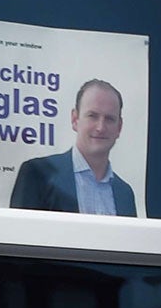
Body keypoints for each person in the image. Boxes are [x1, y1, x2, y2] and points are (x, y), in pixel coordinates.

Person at [9, 79, 137, 216]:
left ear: (119, 127)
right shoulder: (37, 175)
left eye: (109, 119)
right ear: (75, 120)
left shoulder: (125, 194)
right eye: (92, 116)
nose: (100, 127)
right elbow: (19, 235)